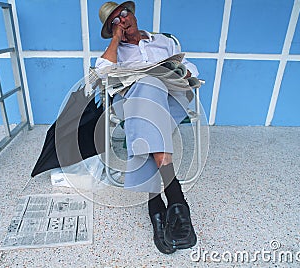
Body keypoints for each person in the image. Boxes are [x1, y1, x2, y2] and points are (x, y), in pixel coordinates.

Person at [95, 1, 198, 254]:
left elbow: (191, 67)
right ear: (111, 29)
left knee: (151, 107)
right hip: (132, 101)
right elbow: (102, 73)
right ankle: (176, 200)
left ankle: (156, 209)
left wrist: (184, 73)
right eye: (114, 21)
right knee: (148, 91)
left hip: (172, 97)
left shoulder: (164, 41)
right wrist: (116, 40)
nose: (123, 20)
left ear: (134, 14)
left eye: (125, 14)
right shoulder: (115, 51)